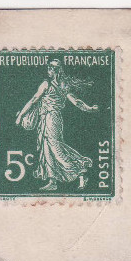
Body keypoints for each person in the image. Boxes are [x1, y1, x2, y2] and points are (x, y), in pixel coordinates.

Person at [15, 59, 98, 191]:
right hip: (53, 119)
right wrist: (89, 108)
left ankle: (80, 170)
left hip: (50, 118)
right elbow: (76, 102)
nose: (48, 71)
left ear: (54, 70)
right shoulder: (63, 85)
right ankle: (52, 181)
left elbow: (33, 100)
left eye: (49, 68)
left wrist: (20, 116)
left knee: (55, 148)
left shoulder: (46, 84)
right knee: (48, 148)